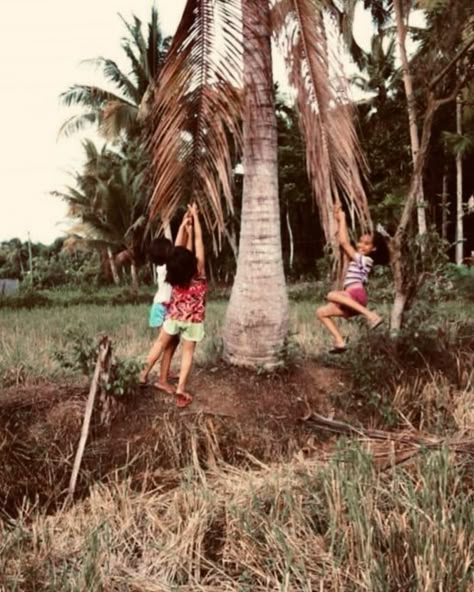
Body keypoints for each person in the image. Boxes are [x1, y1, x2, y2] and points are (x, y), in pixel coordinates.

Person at [139, 203, 207, 407]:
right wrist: (195, 222)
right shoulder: (199, 274)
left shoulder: (173, 275)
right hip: (193, 320)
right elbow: (198, 242)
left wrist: (187, 224)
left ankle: (143, 373)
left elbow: (179, 251)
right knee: (187, 353)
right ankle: (180, 388)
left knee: (160, 343)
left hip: (174, 316)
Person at [316, 204, 389, 353]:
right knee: (321, 312)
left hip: (356, 295)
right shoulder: (359, 258)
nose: (361, 245)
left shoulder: (366, 260)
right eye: (360, 241)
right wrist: (338, 219)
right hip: (351, 301)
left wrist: (342, 219)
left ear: (373, 249)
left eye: (367, 244)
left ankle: (371, 315)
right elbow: (345, 243)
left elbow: (344, 243)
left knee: (331, 295)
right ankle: (340, 341)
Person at [145, 237, 178, 394]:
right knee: (164, 343)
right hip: (162, 309)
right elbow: (178, 246)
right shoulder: (167, 268)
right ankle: (150, 376)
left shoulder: (163, 267)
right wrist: (185, 228)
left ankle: (164, 373)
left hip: (162, 308)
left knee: (171, 343)